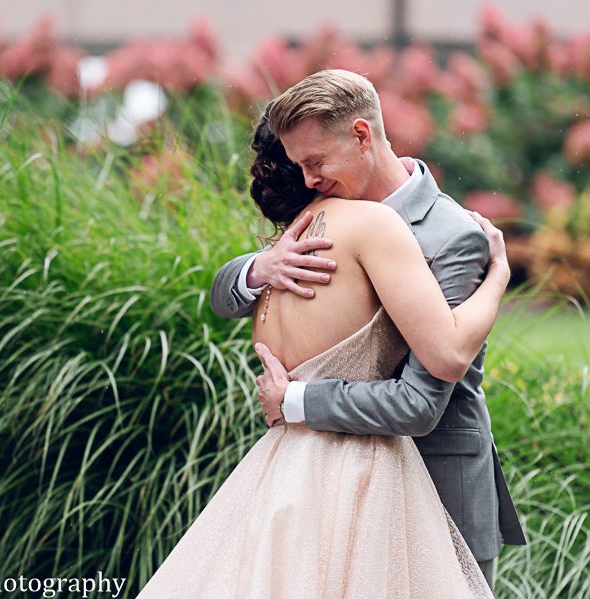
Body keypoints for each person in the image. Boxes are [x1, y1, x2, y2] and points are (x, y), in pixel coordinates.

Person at [135, 72, 515, 598]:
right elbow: (224, 296)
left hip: (435, 479)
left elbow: (421, 405)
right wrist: (261, 267)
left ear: (362, 135)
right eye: (299, 166)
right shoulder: (326, 214)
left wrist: (294, 400)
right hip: (332, 488)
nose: (308, 180)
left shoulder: (451, 237)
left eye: (315, 163)